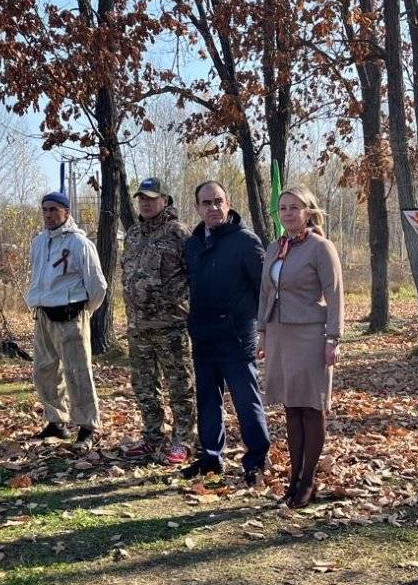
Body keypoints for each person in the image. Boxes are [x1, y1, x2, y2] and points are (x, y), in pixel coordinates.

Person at [256, 186, 344, 507]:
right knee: (291, 407)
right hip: (279, 333)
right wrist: (263, 332)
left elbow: (335, 295)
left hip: (310, 334)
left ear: (308, 211)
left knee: (311, 406)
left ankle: (308, 481)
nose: (288, 213)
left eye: (295, 207)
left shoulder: (321, 247)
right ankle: (293, 479)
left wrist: (333, 338)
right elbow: (265, 292)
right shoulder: (275, 246)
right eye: (283, 208)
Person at [182, 180, 271, 486]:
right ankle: (210, 457)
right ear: (197, 208)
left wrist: (264, 329)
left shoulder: (245, 241)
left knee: (247, 400)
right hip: (203, 336)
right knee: (207, 400)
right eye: (206, 203)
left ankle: (257, 460)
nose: (213, 208)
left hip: (236, 336)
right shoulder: (192, 244)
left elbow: (264, 290)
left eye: (218, 201)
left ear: (228, 203)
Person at [120, 177, 195, 465]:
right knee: (144, 386)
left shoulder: (178, 233)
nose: (146, 203)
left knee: (180, 387)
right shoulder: (134, 234)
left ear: (165, 200)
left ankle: (183, 440)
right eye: (141, 198)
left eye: (152, 198)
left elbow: (193, 277)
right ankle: (152, 438)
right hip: (138, 327)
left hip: (171, 326)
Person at [24, 190, 108, 449]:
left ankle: (87, 426)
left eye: (53, 210)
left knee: (78, 373)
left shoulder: (80, 244)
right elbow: (38, 277)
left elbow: (97, 285)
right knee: (44, 372)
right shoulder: (38, 242)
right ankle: (56, 421)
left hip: (71, 316)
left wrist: (84, 313)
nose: (48, 215)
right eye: (45, 210)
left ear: (66, 212)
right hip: (44, 317)